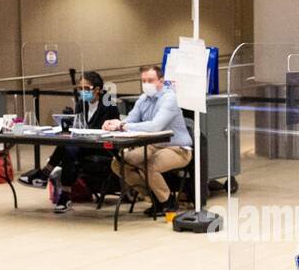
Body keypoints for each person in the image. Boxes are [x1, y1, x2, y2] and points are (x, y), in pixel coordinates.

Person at [20, 71, 122, 212]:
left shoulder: (108, 104)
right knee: (68, 149)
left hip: (101, 147)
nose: (83, 92)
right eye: (80, 88)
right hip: (82, 144)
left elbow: (105, 128)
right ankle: (64, 196)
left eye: (87, 89)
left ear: (97, 89)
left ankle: (46, 175)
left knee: (68, 147)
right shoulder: (81, 105)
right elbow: (78, 125)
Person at [105, 65, 192, 217]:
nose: (146, 84)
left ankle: (167, 201)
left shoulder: (170, 98)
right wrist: (115, 123)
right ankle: (153, 195)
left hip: (177, 148)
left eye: (150, 80)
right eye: (143, 81)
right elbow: (130, 120)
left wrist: (124, 125)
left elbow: (155, 126)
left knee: (149, 165)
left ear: (161, 81)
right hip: (153, 146)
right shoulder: (143, 99)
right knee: (118, 162)